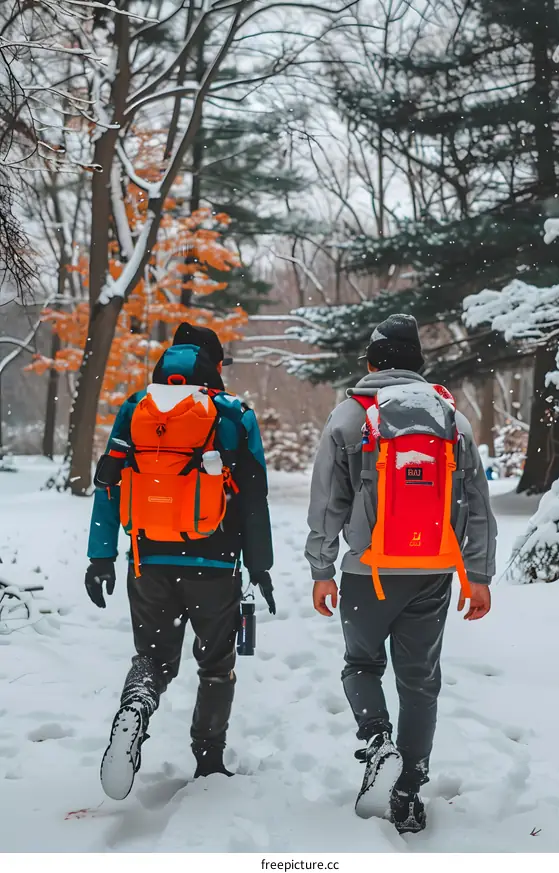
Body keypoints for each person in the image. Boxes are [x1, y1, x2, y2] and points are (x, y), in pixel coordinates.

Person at [305, 314, 497, 834]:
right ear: (417, 365)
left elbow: (328, 502)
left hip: (368, 572)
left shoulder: (350, 415)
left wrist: (323, 569)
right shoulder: (449, 419)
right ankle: (408, 791)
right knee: (419, 684)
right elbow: (476, 503)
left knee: (361, 665)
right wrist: (476, 574)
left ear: (370, 363)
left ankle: (377, 740)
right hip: (432, 571)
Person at [85, 323, 274, 801]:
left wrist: (101, 556)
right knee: (215, 666)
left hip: (150, 560)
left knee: (152, 658)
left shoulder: (136, 409)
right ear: (215, 365)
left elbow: (109, 482)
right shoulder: (233, 414)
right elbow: (254, 497)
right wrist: (261, 565)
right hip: (215, 563)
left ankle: (136, 706)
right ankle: (208, 759)